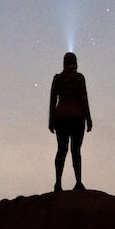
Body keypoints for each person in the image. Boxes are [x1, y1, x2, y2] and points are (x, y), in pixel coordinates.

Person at [49, 51, 92, 191]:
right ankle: (78, 182)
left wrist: (51, 119)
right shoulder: (79, 78)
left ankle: (58, 183)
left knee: (61, 150)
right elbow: (83, 99)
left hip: (61, 117)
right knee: (76, 151)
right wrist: (88, 118)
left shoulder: (58, 79)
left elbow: (53, 100)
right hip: (77, 117)